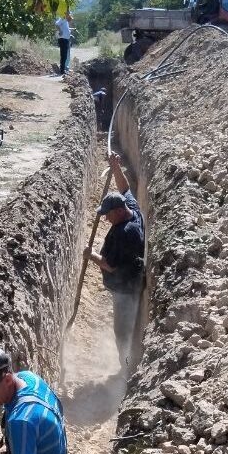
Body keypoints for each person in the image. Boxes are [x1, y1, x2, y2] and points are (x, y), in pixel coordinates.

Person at [84, 152, 145, 372]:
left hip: (126, 290)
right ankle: (128, 365)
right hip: (130, 284)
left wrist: (90, 256)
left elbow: (110, 265)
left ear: (119, 211)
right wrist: (116, 166)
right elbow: (125, 189)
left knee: (122, 334)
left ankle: (126, 369)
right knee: (126, 331)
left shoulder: (126, 234)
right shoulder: (133, 210)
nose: (105, 219)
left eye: (107, 215)